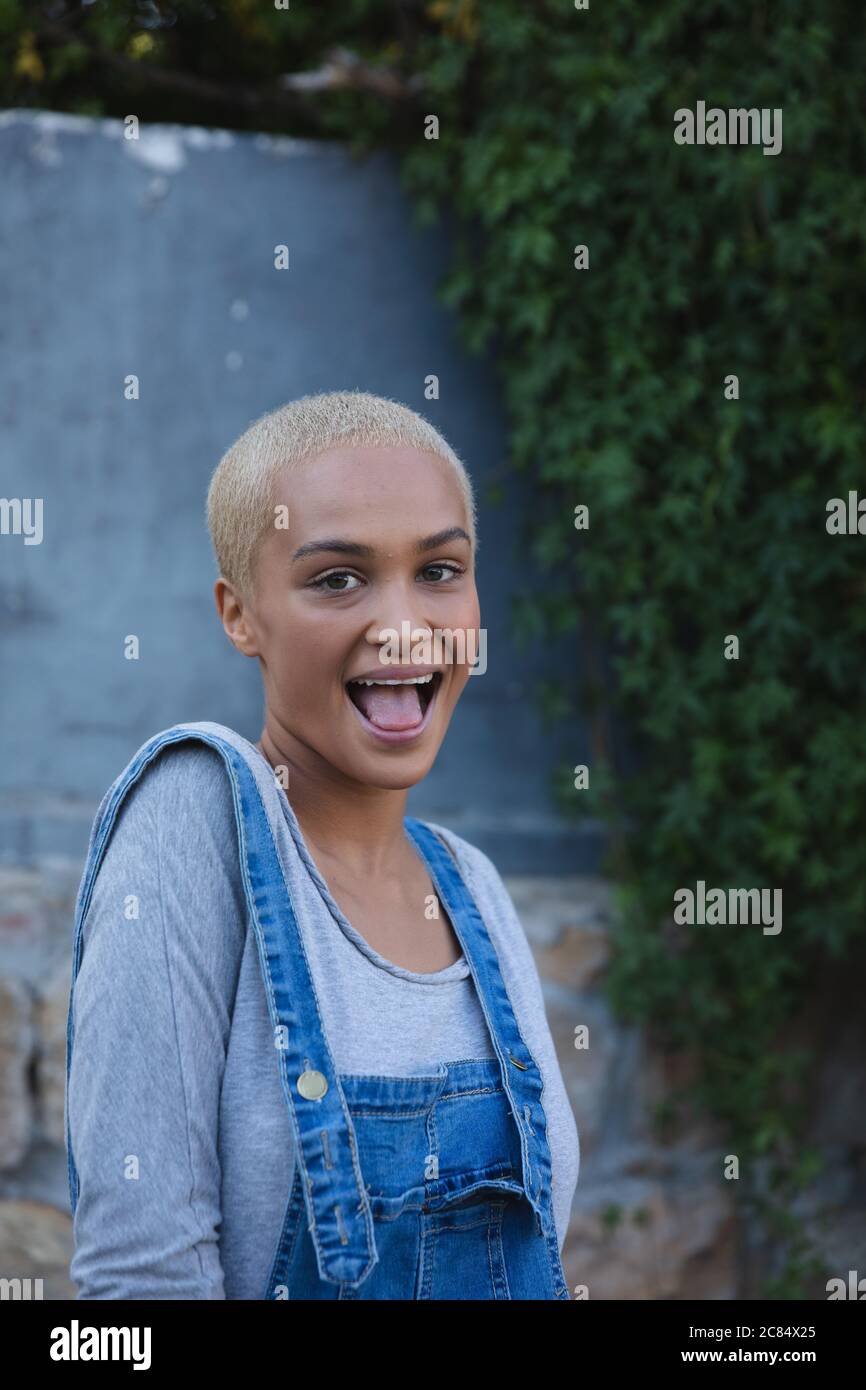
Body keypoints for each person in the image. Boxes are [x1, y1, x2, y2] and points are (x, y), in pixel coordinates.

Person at [65, 390, 580, 1299]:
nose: (403, 624)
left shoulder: (477, 890)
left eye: (440, 570)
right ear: (240, 615)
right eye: (338, 578)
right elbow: (138, 1282)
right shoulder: (194, 820)